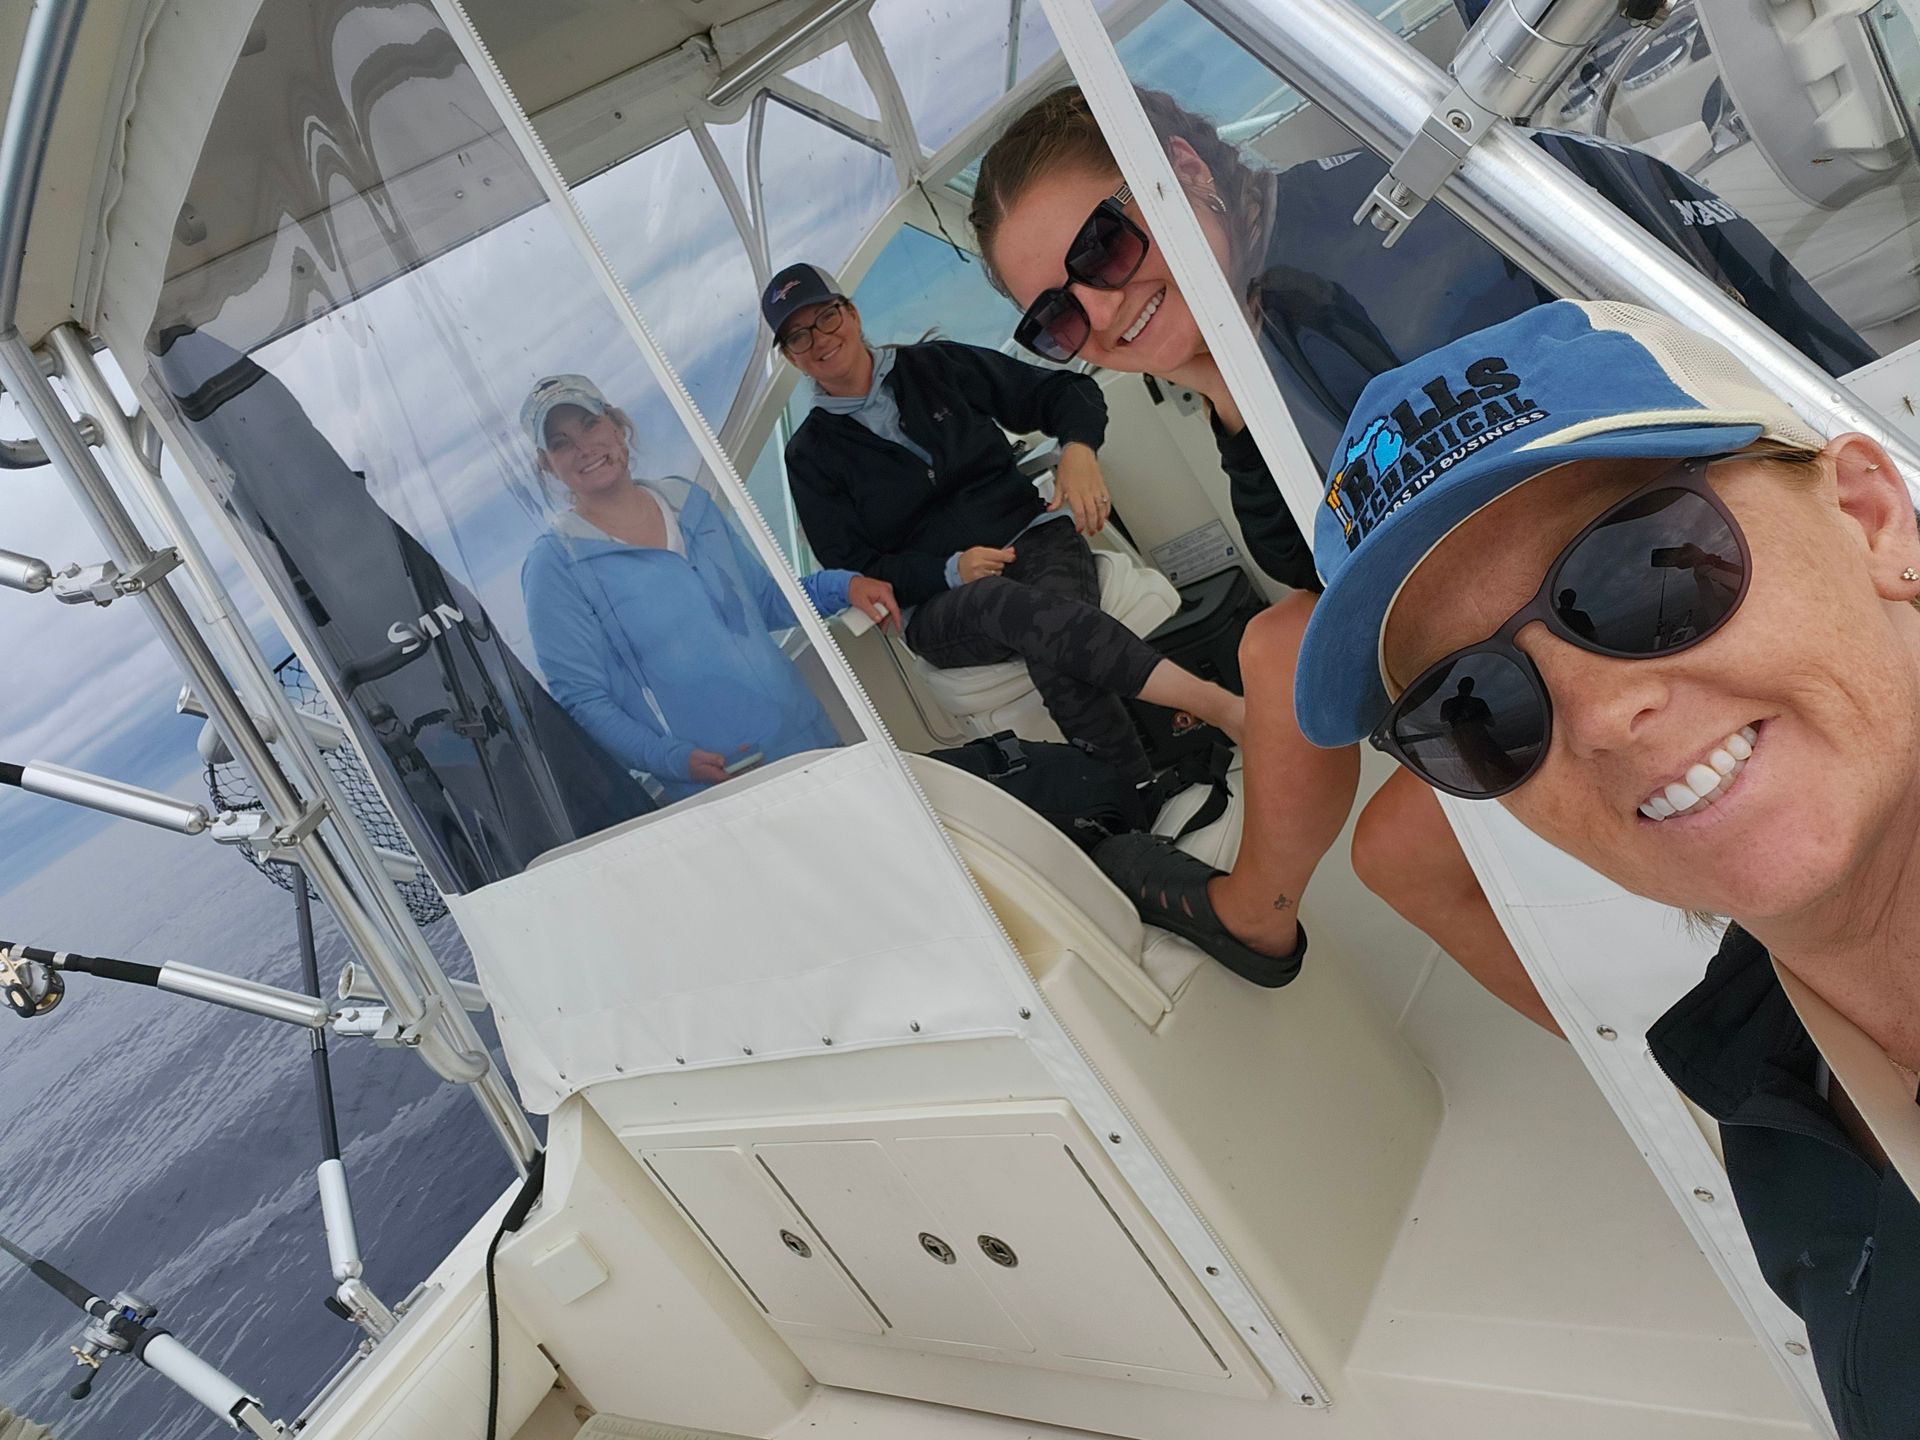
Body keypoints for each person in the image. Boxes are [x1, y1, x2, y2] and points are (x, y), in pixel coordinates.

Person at [970, 84, 1873, 1032]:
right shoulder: (1261, 313)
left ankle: (1257, 911)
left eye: (1102, 249)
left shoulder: (1375, 254)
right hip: (1601, 589)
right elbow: (1321, 562)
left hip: (1685, 564)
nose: (1102, 309)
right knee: (1362, 796)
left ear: (1184, 171)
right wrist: (1217, 380)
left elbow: (1521, 507)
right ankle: (1693, 1063)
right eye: (1058, 320)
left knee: (1341, 758)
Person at [1293, 299, 1918, 1437]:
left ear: (1873, 521)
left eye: (1644, 570)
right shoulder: (1766, 1115)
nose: (1601, 719)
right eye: (1473, 706)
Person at [766, 263, 1310, 982]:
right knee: (1018, 611)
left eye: (824, 317)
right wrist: (948, 570)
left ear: (851, 312)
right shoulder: (809, 456)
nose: (818, 339)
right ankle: (1220, 710)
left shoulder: (939, 367)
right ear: (791, 357)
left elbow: (1066, 390)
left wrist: (1079, 452)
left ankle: (1135, 805)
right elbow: (853, 563)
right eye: (798, 336)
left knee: (1050, 626)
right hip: (941, 603)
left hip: (1035, 535)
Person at [518, 374, 897, 804]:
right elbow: (583, 699)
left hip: (809, 736)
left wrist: (843, 585)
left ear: (617, 425)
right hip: (719, 781)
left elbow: (764, 603)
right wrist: (671, 759)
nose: (583, 447)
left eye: (589, 424)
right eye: (561, 442)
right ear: (549, 465)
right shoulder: (556, 564)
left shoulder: (689, 501)